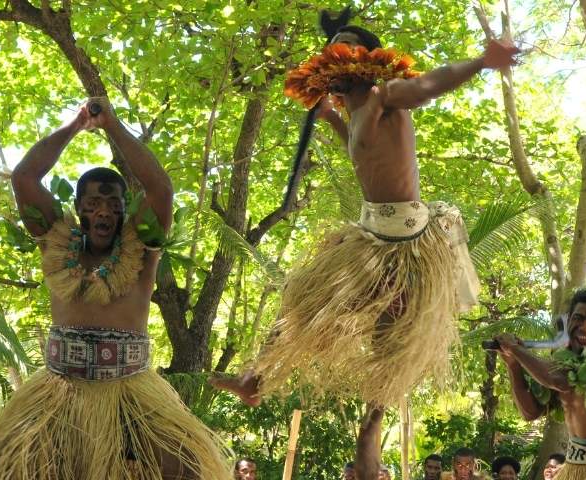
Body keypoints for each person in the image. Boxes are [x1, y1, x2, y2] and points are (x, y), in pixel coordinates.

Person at [212, 7, 517, 409]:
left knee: (389, 342)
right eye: (335, 46)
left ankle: (374, 425)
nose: (341, 49)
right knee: (300, 294)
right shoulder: (355, 113)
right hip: (372, 233)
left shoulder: (384, 94)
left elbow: (427, 86)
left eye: (351, 45)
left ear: (371, 61)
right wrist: (332, 121)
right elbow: (366, 158)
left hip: (407, 238)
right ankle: (254, 379)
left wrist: (481, 62)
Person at [0, 97, 229, 479]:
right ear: (78, 207)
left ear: (125, 209)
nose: (104, 211)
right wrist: (76, 125)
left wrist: (112, 126)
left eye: (113, 202)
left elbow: (160, 188)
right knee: (14, 469)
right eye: (94, 202)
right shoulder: (53, 240)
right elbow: (24, 178)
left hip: (131, 391)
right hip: (60, 391)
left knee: (186, 471)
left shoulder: (143, 248)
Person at [495, 288, 586, 479]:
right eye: (578, 318)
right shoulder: (562, 363)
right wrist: (513, 364)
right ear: (568, 319)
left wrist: (515, 349)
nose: (585, 327)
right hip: (575, 465)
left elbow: (558, 381)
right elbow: (530, 412)